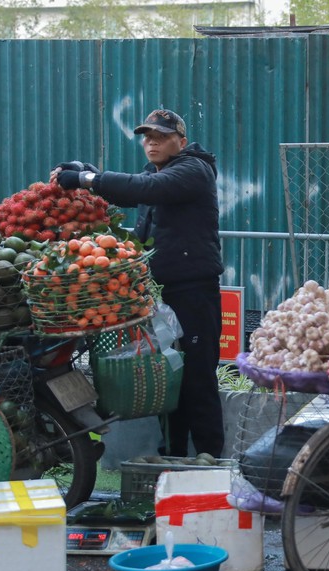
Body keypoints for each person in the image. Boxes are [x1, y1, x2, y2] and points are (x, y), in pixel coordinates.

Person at [53, 108, 225, 460]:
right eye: (148, 137)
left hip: (193, 291)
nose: (151, 143)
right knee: (170, 373)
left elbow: (146, 188)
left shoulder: (194, 169)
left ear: (181, 141)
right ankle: (172, 456)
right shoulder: (156, 172)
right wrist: (87, 172)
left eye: (161, 137)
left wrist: (86, 178)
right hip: (160, 292)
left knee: (198, 376)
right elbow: (131, 192)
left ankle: (211, 458)